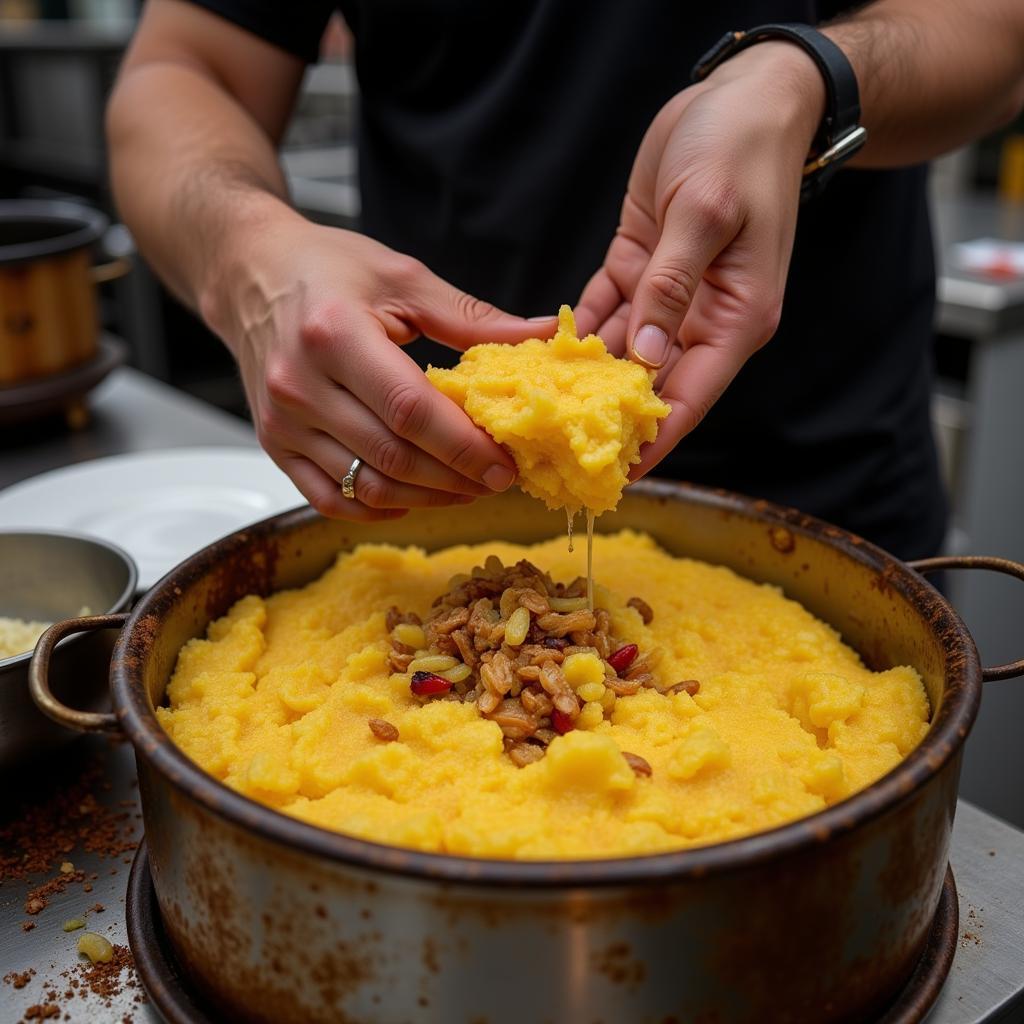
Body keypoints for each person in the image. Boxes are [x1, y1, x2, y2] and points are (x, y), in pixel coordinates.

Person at [106, 0, 1024, 560]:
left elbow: (998, 31)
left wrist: (809, 76)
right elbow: (181, 69)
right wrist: (250, 257)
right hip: (417, 492)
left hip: (833, 501)